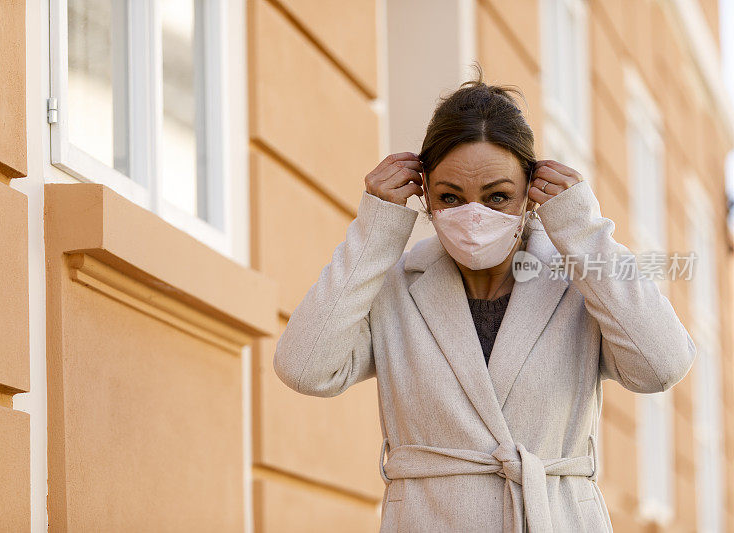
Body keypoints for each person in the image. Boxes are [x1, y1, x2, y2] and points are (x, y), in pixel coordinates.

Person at [272, 64, 696, 532]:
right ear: (426, 198)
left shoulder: (578, 281)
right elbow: (304, 367)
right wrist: (375, 233)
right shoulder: (392, 286)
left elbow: (663, 364)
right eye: (451, 197)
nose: (474, 215)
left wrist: (581, 232)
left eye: (497, 197)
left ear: (530, 197)